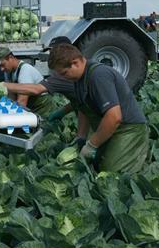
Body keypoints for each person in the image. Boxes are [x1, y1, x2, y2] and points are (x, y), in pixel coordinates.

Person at [48, 43, 149, 173]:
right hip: (107, 127)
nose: (63, 77)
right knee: (93, 165)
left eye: (64, 73)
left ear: (75, 63)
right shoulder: (79, 79)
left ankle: (137, 152)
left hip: (127, 129)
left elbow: (114, 117)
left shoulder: (98, 75)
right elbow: (84, 109)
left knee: (110, 173)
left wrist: (92, 145)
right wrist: (81, 137)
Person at [1, 36, 78, 123]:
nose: (51, 56)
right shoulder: (59, 76)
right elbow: (79, 102)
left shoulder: (25, 70)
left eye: (54, 53)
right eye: (50, 52)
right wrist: (62, 112)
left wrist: (2, 85)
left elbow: (35, 90)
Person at [0, 47, 55, 117]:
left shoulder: (25, 70)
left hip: (43, 108)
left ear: (10, 57)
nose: (1, 69)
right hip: (31, 108)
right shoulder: (8, 72)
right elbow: (11, 97)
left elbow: (22, 103)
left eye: (3, 65)